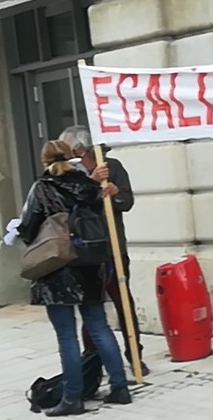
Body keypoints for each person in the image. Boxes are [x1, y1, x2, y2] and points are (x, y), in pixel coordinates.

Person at [17, 140, 133, 416]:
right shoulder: (90, 185)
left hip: (56, 268)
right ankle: (119, 387)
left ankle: (72, 398)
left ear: (44, 161)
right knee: (100, 327)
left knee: (67, 337)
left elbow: (28, 228)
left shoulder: (42, 188)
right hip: (90, 265)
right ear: (72, 158)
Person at [59, 126, 149, 377]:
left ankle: (135, 355)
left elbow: (127, 202)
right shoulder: (69, 174)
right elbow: (69, 208)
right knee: (92, 309)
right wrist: (92, 183)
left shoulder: (113, 167)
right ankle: (92, 362)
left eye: (68, 150)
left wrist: (115, 193)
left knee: (123, 303)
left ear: (80, 149)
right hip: (85, 253)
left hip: (112, 248)